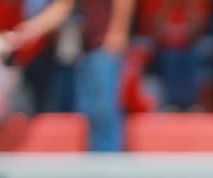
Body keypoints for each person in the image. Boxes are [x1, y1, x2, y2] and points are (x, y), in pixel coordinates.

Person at [8, 0, 134, 152]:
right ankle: (96, 158)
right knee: (88, 111)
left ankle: (108, 159)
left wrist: (118, 30)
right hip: (84, 51)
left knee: (103, 111)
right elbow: (62, 8)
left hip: (103, 47)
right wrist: (30, 29)